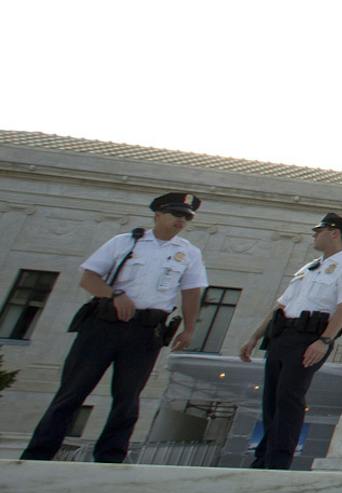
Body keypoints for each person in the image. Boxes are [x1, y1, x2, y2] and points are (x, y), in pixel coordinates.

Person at [21, 192, 207, 463]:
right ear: (157, 215)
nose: (181, 221)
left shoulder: (188, 253)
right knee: (73, 390)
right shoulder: (125, 243)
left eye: (186, 217)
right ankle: (39, 453)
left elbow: (191, 292)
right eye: (176, 214)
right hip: (104, 325)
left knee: (128, 397)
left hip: (147, 330)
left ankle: (111, 456)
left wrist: (189, 329)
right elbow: (89, 278)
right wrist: (114, 295)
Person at [238, 211, 342, 469]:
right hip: (282, 334)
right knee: (272, 399)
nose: (314, 235)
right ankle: (263, 457)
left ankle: (278, 461)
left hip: (310, 338)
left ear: (334, 233)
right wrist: (255, 336)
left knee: (290, 397)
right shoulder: (309, 267)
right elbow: (281, 305)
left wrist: (324, 341)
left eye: (318, 231)